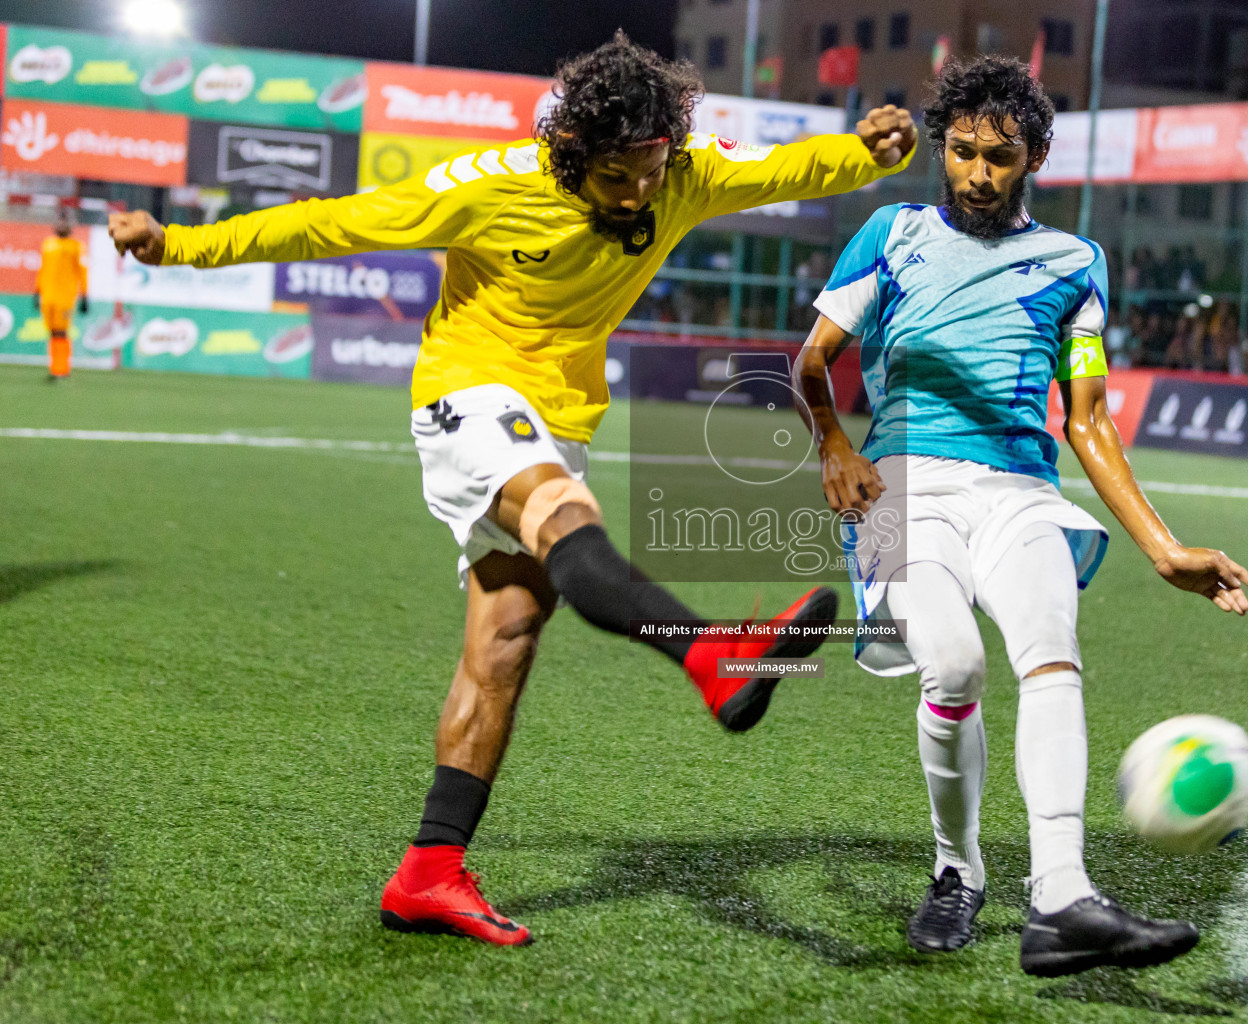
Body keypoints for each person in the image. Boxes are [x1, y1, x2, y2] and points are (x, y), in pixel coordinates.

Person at [108, 33, 917, 948]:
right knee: (568, 520)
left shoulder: (679, 174)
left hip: (559, 420)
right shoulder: (492, 186)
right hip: (470, 395)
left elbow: (783, 171)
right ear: (573, 152)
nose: (639, 192)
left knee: (505, 643)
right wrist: (174, 244)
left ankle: (429, 872)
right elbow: (330, 223)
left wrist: (866, 150)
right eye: (618, 173)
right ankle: (713, 652)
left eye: (651, 168)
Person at [794, 54, 1248, 977]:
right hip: (898, 486)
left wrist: (1163, 549)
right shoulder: (893, 234)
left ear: (1035, 155)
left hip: (1019, 492)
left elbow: (1085, 418)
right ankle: (957, 870)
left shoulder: (1074, 263)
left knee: (1051, 657)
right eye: (962, 151)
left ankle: (1060, 897)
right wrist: (832, 446)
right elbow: (811, 363)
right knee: (957, 662)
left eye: (998, 156)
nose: (975, 171)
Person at [35, 206, 89, 382]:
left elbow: (82, 272)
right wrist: (37, 291)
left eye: (65, 222)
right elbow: (42, 270)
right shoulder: (48, 244)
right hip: (48, 296)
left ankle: (62, 369)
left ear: (70, 226)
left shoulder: (76, 246)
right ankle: (54, 368)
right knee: (52, 331)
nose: (62, 225)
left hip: (65, 296)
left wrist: (84, 295)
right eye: (60, 222)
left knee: (61, 331)